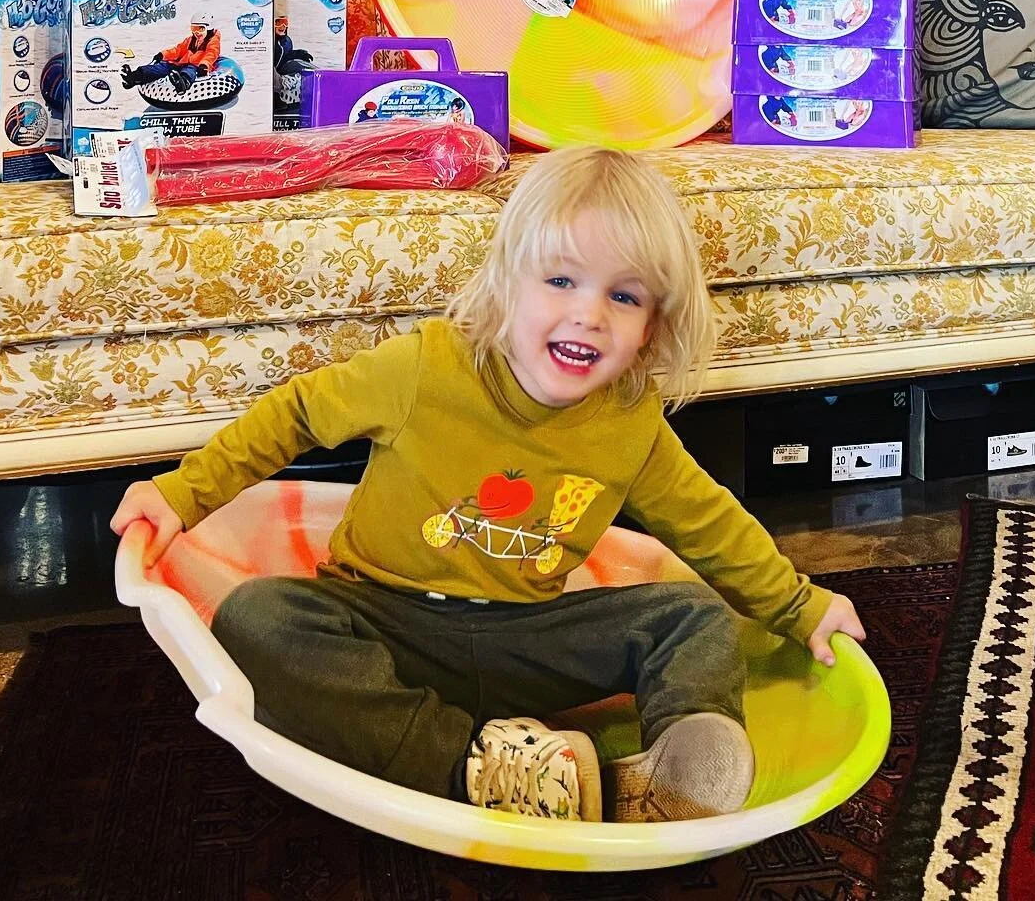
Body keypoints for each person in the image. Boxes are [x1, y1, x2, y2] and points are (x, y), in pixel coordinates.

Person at [111, 147, 865, 826]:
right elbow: (297, 414)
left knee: (693, 616)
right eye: (561, 280)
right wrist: (182, 493)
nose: (588, 315)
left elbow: (709, 524)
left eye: (625, 297)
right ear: (506, 287)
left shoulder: (631, 420)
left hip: (526, 641)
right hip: (386, 622)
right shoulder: (426, 367)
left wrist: (800, 606)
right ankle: (470, 769)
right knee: (259, 617)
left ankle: (674, 771)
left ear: (652, 329)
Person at [121, 13, 221, 94]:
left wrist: (204, 65)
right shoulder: (190, 40)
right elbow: (177, 50)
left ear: (209, 28)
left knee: (190, 70)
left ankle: (182, 83)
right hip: (179, 64)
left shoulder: (213, 42)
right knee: (161, 67)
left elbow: (211, 54)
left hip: (197, 66)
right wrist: (163, 54)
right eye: (194, 29)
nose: (197, 32)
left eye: (201, 29)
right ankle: (133, 77)